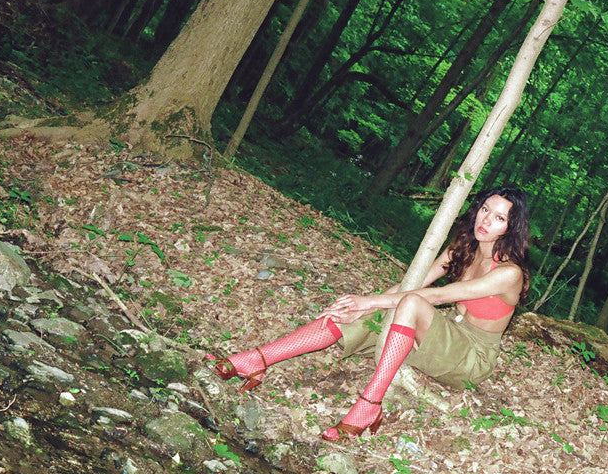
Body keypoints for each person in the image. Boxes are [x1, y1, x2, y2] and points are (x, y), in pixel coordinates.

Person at [210, 186, 531, 442]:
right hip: (443, 334)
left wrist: (370, 300)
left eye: (499, 218)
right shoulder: (464, 246)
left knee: (403, 305)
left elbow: (437, 295)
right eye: (485, 209)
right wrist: (360, 305)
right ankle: (258, 360)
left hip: (471, 357)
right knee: (357, 314)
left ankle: (369, 406)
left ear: (510, 229)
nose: (485, 220)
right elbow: (414, 283)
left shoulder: (509, 273)